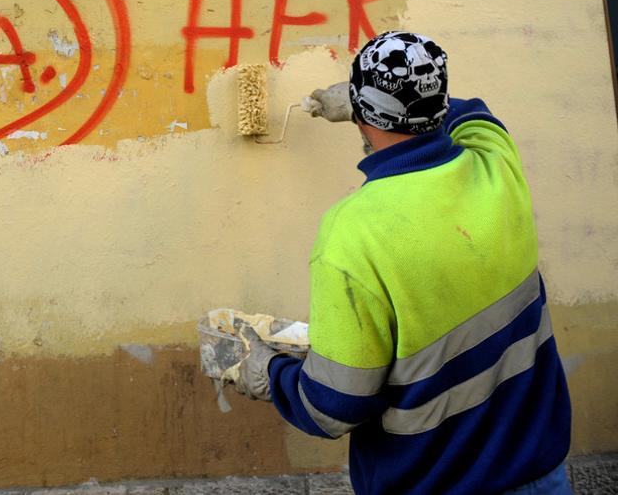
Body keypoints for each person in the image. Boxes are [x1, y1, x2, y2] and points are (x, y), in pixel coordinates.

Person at [232, 31, 573, 495]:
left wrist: (266, 372)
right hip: (541, 472)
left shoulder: (353, 233)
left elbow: (332, 407)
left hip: (436, 483)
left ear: (362, 116)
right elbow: (470, 109)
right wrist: (373, 101)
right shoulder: (495, 160)